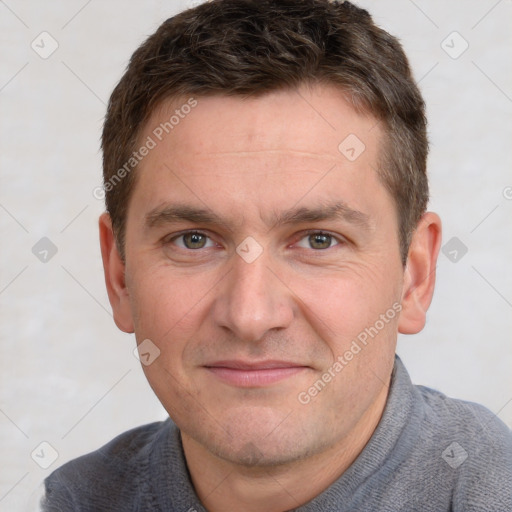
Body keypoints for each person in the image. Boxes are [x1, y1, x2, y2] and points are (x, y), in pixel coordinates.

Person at [42, 0, 512, 510]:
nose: (250, 316)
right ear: (120, 276)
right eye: (193, 240)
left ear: (414, 276)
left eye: (318, 240)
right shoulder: (78, 499)